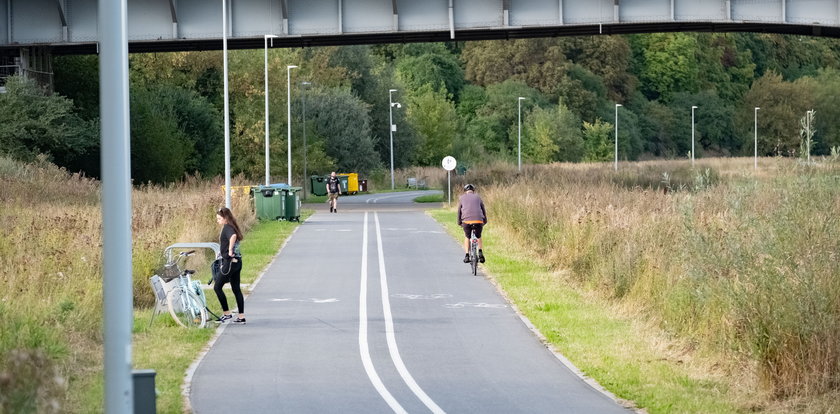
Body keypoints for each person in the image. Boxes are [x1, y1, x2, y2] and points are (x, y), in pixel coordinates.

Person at [214, 207, 246, 324]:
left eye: (219, 219)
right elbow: (233, 236)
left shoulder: (227, 227)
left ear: (225, 218)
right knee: (236, 289)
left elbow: (232, 237)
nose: (217, 221)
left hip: (230, 263)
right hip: (238, 262)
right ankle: (241, 316)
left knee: (217, 287)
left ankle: (226, 314)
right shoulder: (233, 226)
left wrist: (229, 250)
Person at [457, 183, 487, 264]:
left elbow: (459, 211)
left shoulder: (462, 198)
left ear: (465, 191)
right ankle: (480, 252)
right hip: (478, 220)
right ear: (473, 191)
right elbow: (483, 209)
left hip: (466, 221)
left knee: (467, 237)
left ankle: (467, 255)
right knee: (478, 236)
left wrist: (459, 222)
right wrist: (484, 220)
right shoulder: (478, 197)